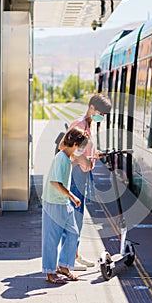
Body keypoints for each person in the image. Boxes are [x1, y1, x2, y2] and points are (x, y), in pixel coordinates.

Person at [59, 93, 112, 271]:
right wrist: (81, 160)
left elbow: (81, 150)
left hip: (82, 175)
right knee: (74, 216)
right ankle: (67, 260)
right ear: (91, 108)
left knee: (78, 216)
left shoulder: (88, 124)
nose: (102, 117)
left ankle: (73, 255)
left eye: (104, 115)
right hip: (75, 175)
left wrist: (92, 155)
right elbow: (63, 148)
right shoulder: (79, 124)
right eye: (100, 113)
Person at [42, 126, 90, 284]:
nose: (82, 151)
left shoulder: (67, 158)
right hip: (54, 202)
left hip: (63, 202)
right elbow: (55, 182)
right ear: (75, 145)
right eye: (82, 147)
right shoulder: (61, 158)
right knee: (52, 238)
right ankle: (50, 273)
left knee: (73, 233)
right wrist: (72, 195)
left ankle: (64, 266)